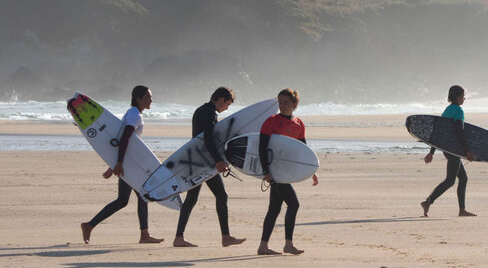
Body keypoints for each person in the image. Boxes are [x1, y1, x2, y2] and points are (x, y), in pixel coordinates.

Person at [81, 86, 164, 244]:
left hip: (125, 162)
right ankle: (143, 235)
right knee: (140, 196)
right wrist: (117, 164)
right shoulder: (134, 115)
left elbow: (120, 140)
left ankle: (90, 225)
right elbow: (124, 138)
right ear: (138, 98)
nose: (150, 100)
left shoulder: (133, 113)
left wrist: (113, 165)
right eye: (147, 97)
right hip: (127, 164)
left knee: (124, 200)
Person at [172, 87, 246, 248]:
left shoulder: (202, 110)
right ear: (221, 99)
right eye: (227, 104)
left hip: (197, 161)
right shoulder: (209, 113)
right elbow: (208, 139)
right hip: (203, 163)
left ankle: (179, 237)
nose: (226, 108)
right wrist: (218, 160)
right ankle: (225, 237)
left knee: (192, 199)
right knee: (221, 195)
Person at [257, 88, 319, 256]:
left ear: (294, 104)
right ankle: (288, 244)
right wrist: (266, 172)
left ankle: (263, 246)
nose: (282, 105)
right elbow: (261, 148)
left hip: (286, 172)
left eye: (285, 102)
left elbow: (303, 150)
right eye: (280, 102)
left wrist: (311, 170)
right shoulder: (271, 121)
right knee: (293, 204)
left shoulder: (298, 123)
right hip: (275, 171)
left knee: (274, 208)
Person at [420, 85, 477, 218]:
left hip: (447, 148)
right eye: (463, 96)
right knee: (450, 180)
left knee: (463, 178)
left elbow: (438, 133)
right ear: (458, 96)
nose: (464, 98)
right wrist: (467, 151)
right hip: (453, 150)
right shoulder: (458, 111)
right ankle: (428, 202)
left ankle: (462, 210)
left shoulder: (447, 110)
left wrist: (431, 152)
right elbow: (459, 133)